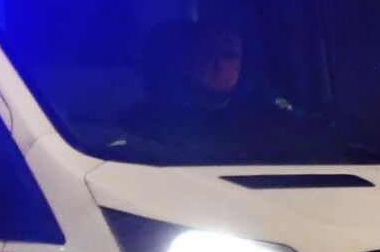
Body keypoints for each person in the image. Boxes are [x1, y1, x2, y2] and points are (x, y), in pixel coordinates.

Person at [121, 20, 299, 161]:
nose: (220, 64)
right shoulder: (144, 121)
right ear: (185, 62)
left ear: (242, 64)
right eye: (209, 53)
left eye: (230, 56)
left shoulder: (269, 123)